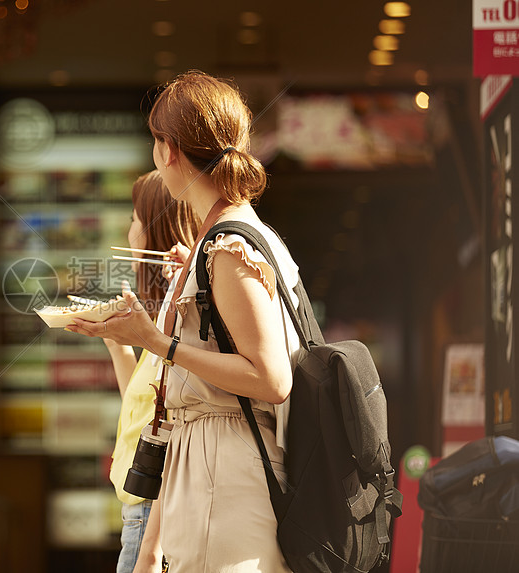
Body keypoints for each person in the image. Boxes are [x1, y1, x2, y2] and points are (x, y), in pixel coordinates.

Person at [66, 70, 303, 572]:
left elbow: (271, 378)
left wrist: (155, 340)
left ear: (167, 151)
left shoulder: (229, 244)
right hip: (212, 471)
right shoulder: (221, 239)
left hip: (225, 476)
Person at [103, 170, 198, 573]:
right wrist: (116, 343)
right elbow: (144, 410)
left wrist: (150, 548)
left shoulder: (182, 319)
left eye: (135, 218)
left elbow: (174, 431)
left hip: (150, 509)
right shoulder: (164, 318)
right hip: (139, 505)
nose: (129, 230)